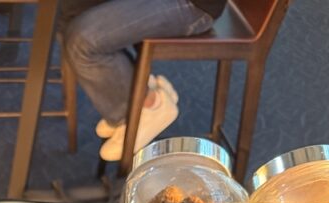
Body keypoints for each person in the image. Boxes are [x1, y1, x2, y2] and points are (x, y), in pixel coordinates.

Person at [60, 0, 227, 161]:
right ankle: (132, 95)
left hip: (194, 5)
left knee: (82, 41)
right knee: (70, 9)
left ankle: (149, 104)